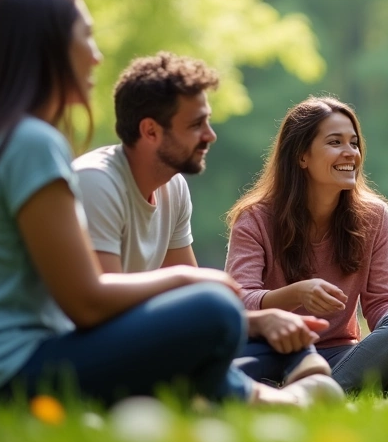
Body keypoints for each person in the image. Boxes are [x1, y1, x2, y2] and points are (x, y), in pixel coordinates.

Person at [0, 0, 335, 411]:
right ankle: (268, 400)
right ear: (47, 48)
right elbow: (86, 303)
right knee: (213, 309)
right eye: (86, 36)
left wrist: (247, 317)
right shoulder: (31, 144)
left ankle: (234, 390)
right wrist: (194, 280)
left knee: (219, 318)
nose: (96, 55)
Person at [74, 53, 335, 389]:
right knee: (218, 315)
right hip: (93, 343)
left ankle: (279, 372)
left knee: (278, 334)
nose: (210, 135)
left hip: (139, 336)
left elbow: (194, 297)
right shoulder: (97, 182)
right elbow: (99, 308)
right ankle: (269, 388)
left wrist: (261, 322)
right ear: (150, 131)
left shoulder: (173, 186)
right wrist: (186, 284)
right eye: (196, 125)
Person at [225, 96, 388, 394]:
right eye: (335, 142)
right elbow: (238, 301)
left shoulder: (374, 216)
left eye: (354, 143)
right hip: (271, 351)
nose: (350, 153)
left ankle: (304, 394)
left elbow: (381, 303)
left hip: (340, 354)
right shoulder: (255, 218)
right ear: (302, 156)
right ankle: (359, 392)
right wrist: (296, 293)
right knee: (220, 360)